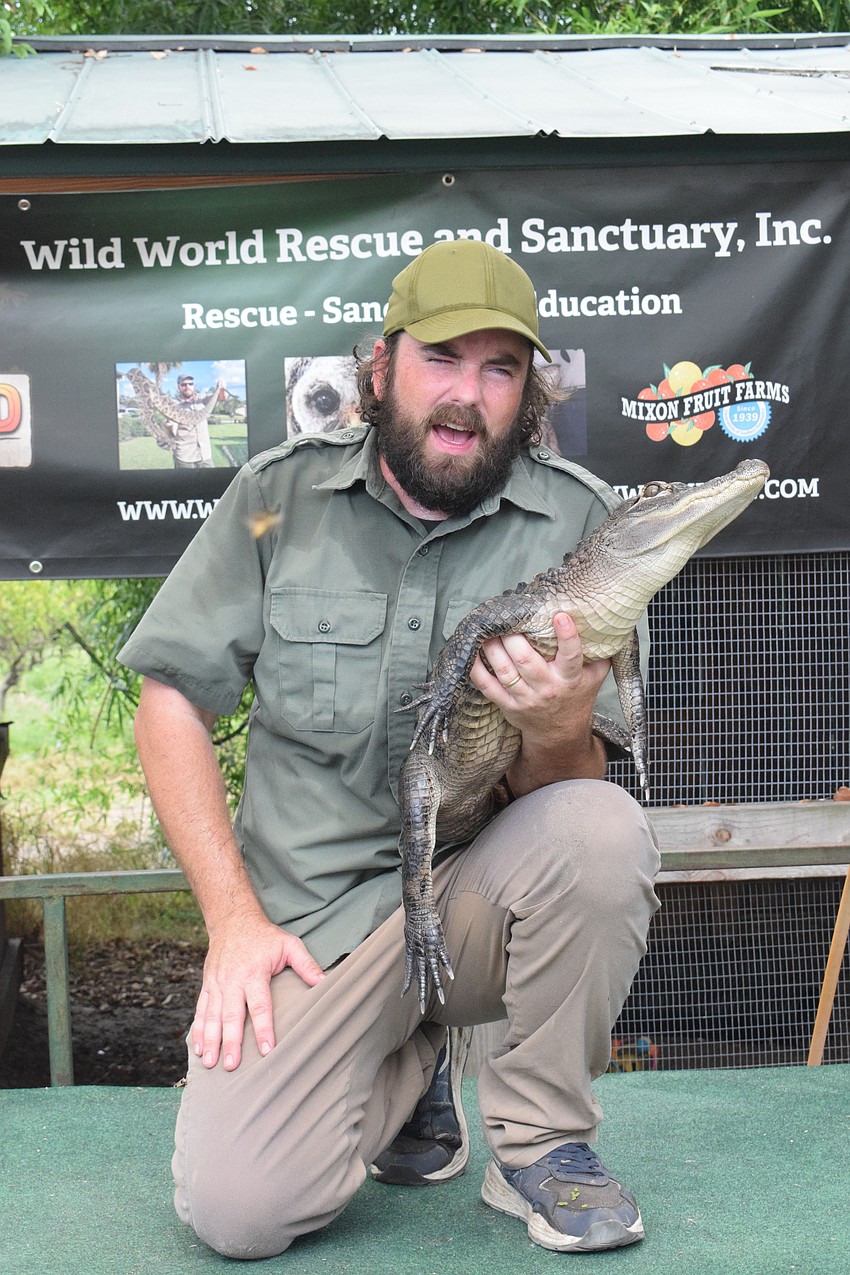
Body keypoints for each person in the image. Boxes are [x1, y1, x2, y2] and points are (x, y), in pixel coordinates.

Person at [119, 239, 660, 1260]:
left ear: (528, 393)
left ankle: (539, 1146)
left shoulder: (580, 526)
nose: (468, 395)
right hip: (313, 925)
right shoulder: (277, 498)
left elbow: (571, 793)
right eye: (443, 359)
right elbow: (171, 703)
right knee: (244, 1215)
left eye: (500, 369)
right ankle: (407, 1068)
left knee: (600, 828)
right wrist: (232, 921)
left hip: (468, 903)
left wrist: (551, 728)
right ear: (381, 367)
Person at [166, 373, 219, 468]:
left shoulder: (202, 399)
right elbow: (172, 434)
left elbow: (220, 397)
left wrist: (220, 388)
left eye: (190, 384)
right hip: (185, 458)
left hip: (205, 455)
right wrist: (168, 427)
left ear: (193, 386)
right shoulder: (173, 406)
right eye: (184, 385)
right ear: (179, 387)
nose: (187, 387)